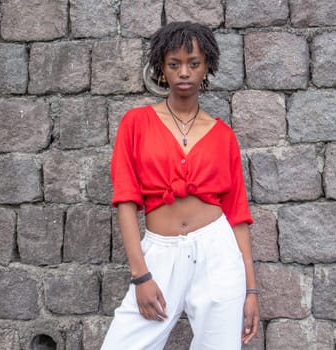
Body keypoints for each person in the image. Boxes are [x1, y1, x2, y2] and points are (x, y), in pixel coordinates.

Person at [101, 21, 259, 350]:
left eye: (194, 64)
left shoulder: (223, 135)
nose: (184, 72)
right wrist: (141, 275)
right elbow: (126, 202)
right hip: (160, 254)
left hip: (218, 253)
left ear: (207, 68)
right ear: (161, 68)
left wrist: (251, 291)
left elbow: (237, 216)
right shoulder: (136, 123)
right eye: (174, 64)